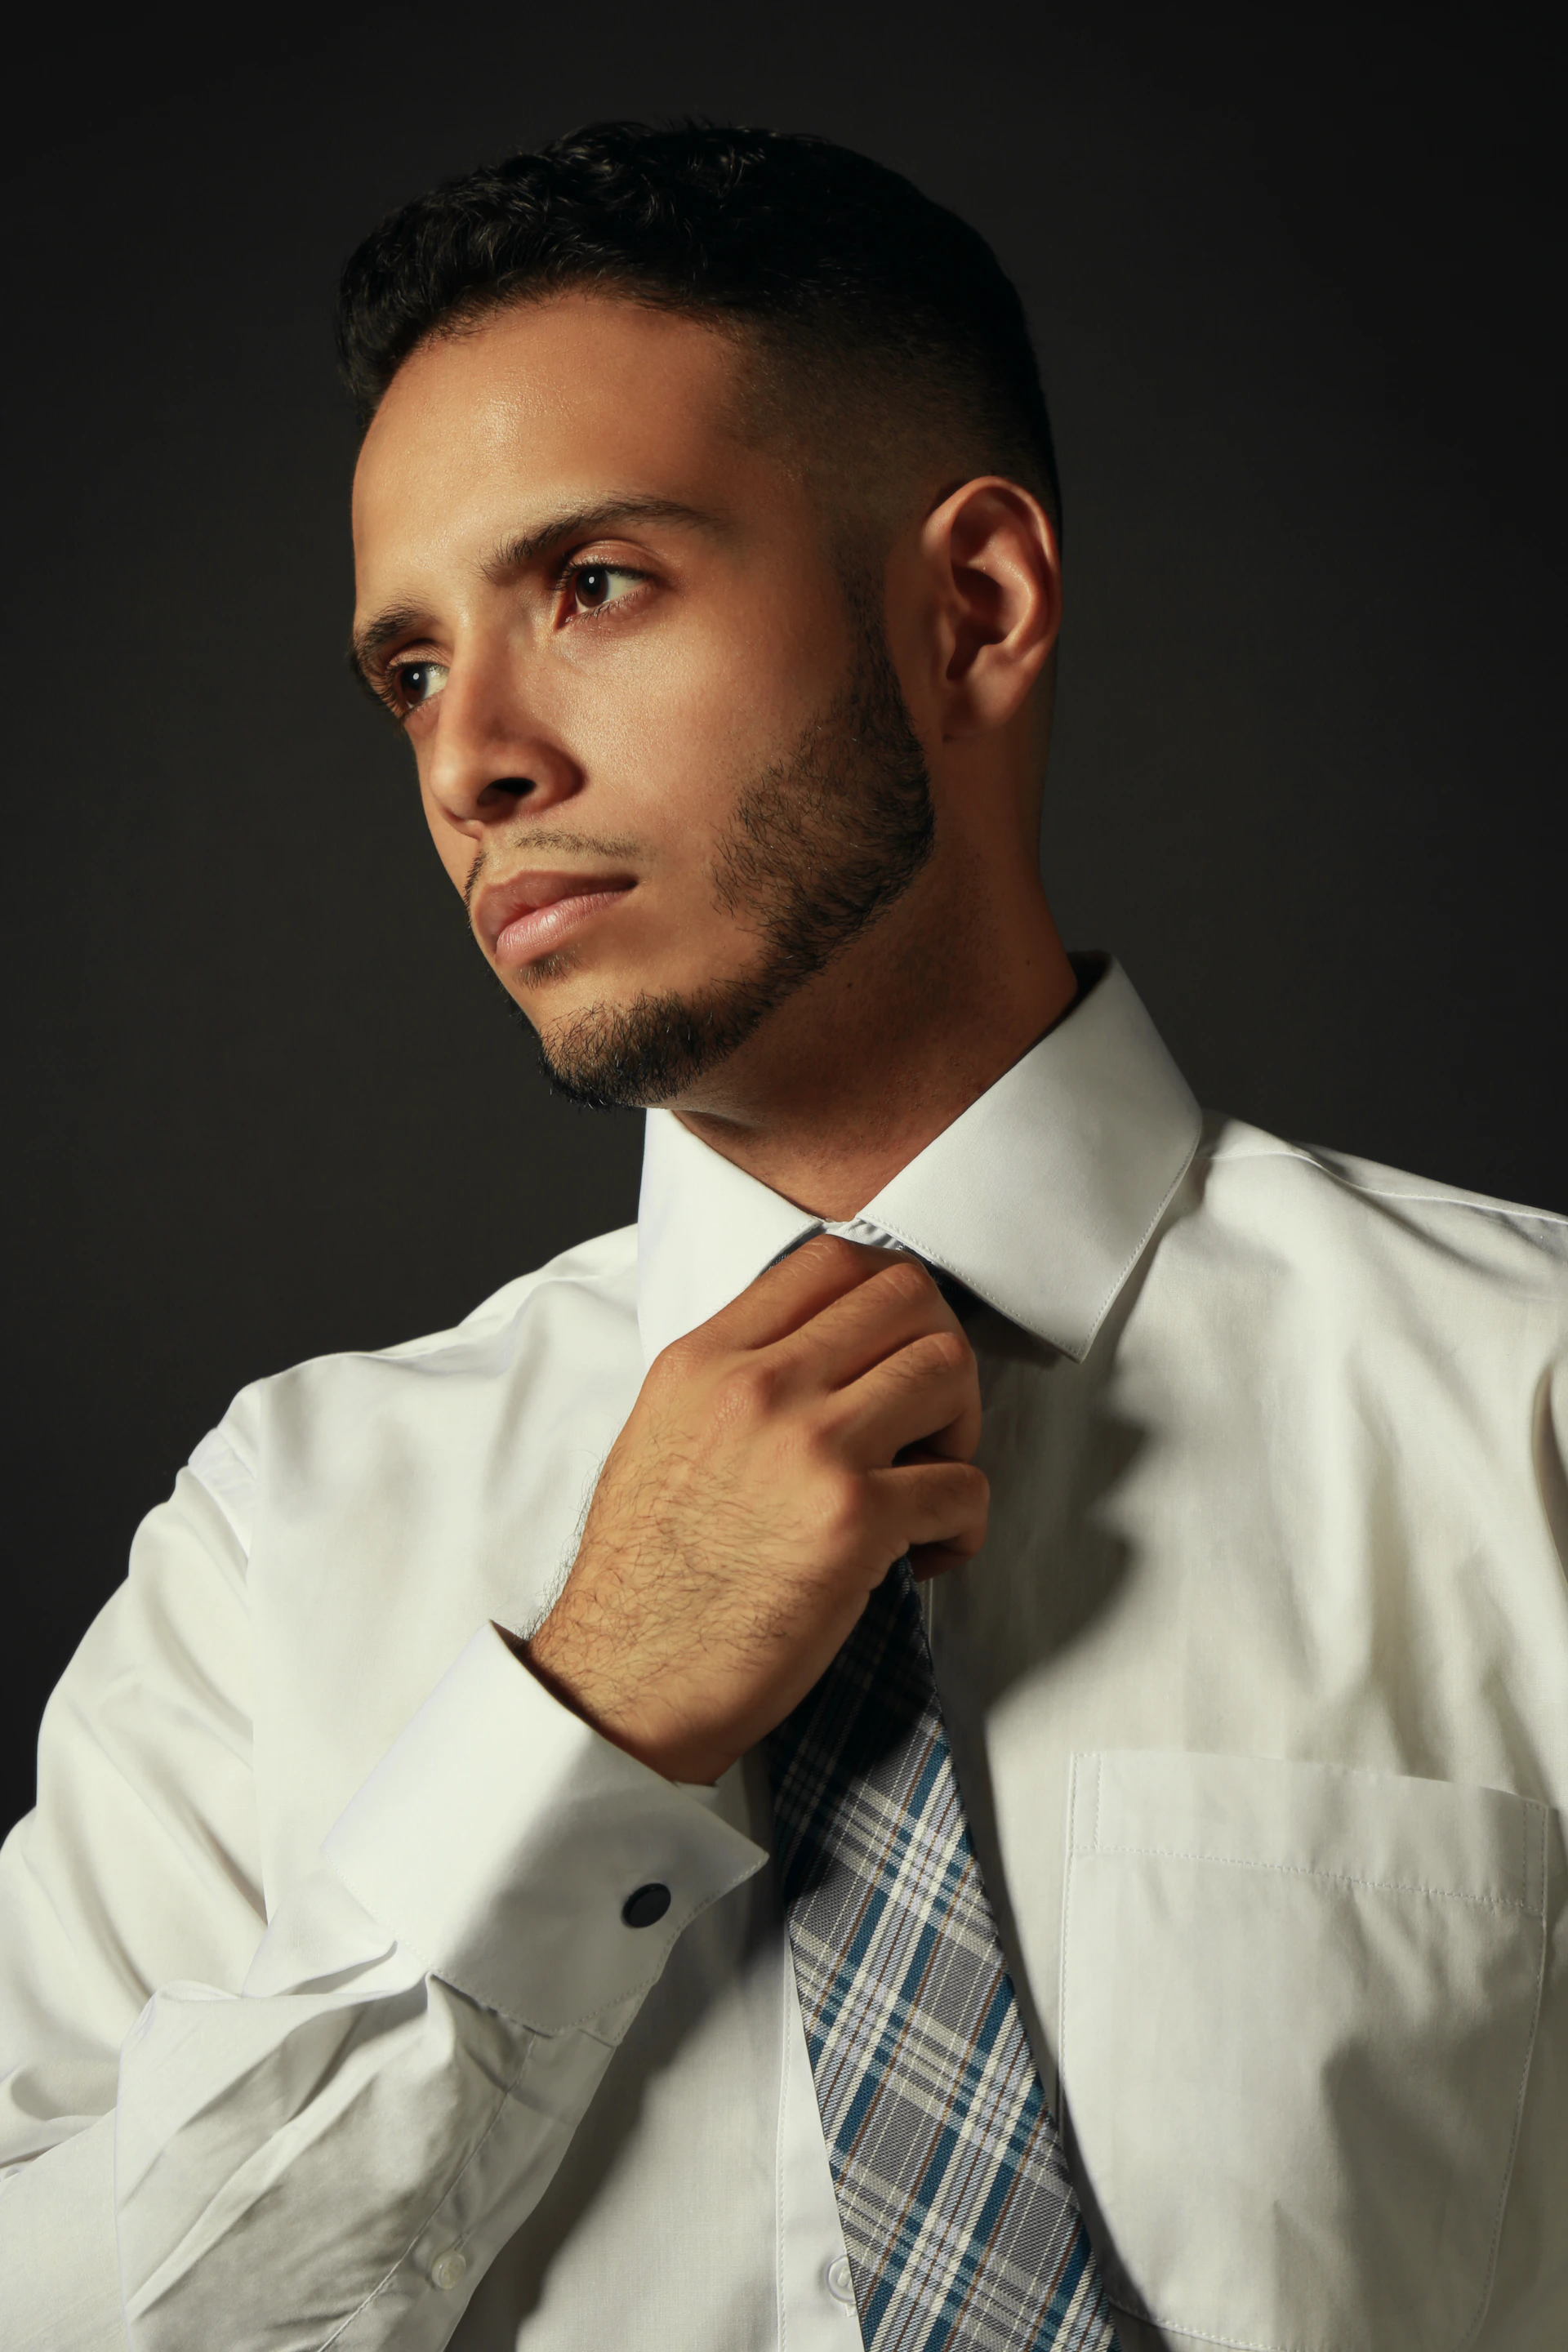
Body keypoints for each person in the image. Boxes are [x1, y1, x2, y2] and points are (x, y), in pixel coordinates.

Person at [2, 119, 1564, 2352]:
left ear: (976, 609)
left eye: (596, 587)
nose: (475, 763)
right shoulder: (279, 1548)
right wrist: (580, 1736)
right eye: (411, 670)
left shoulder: (1532, 1416)